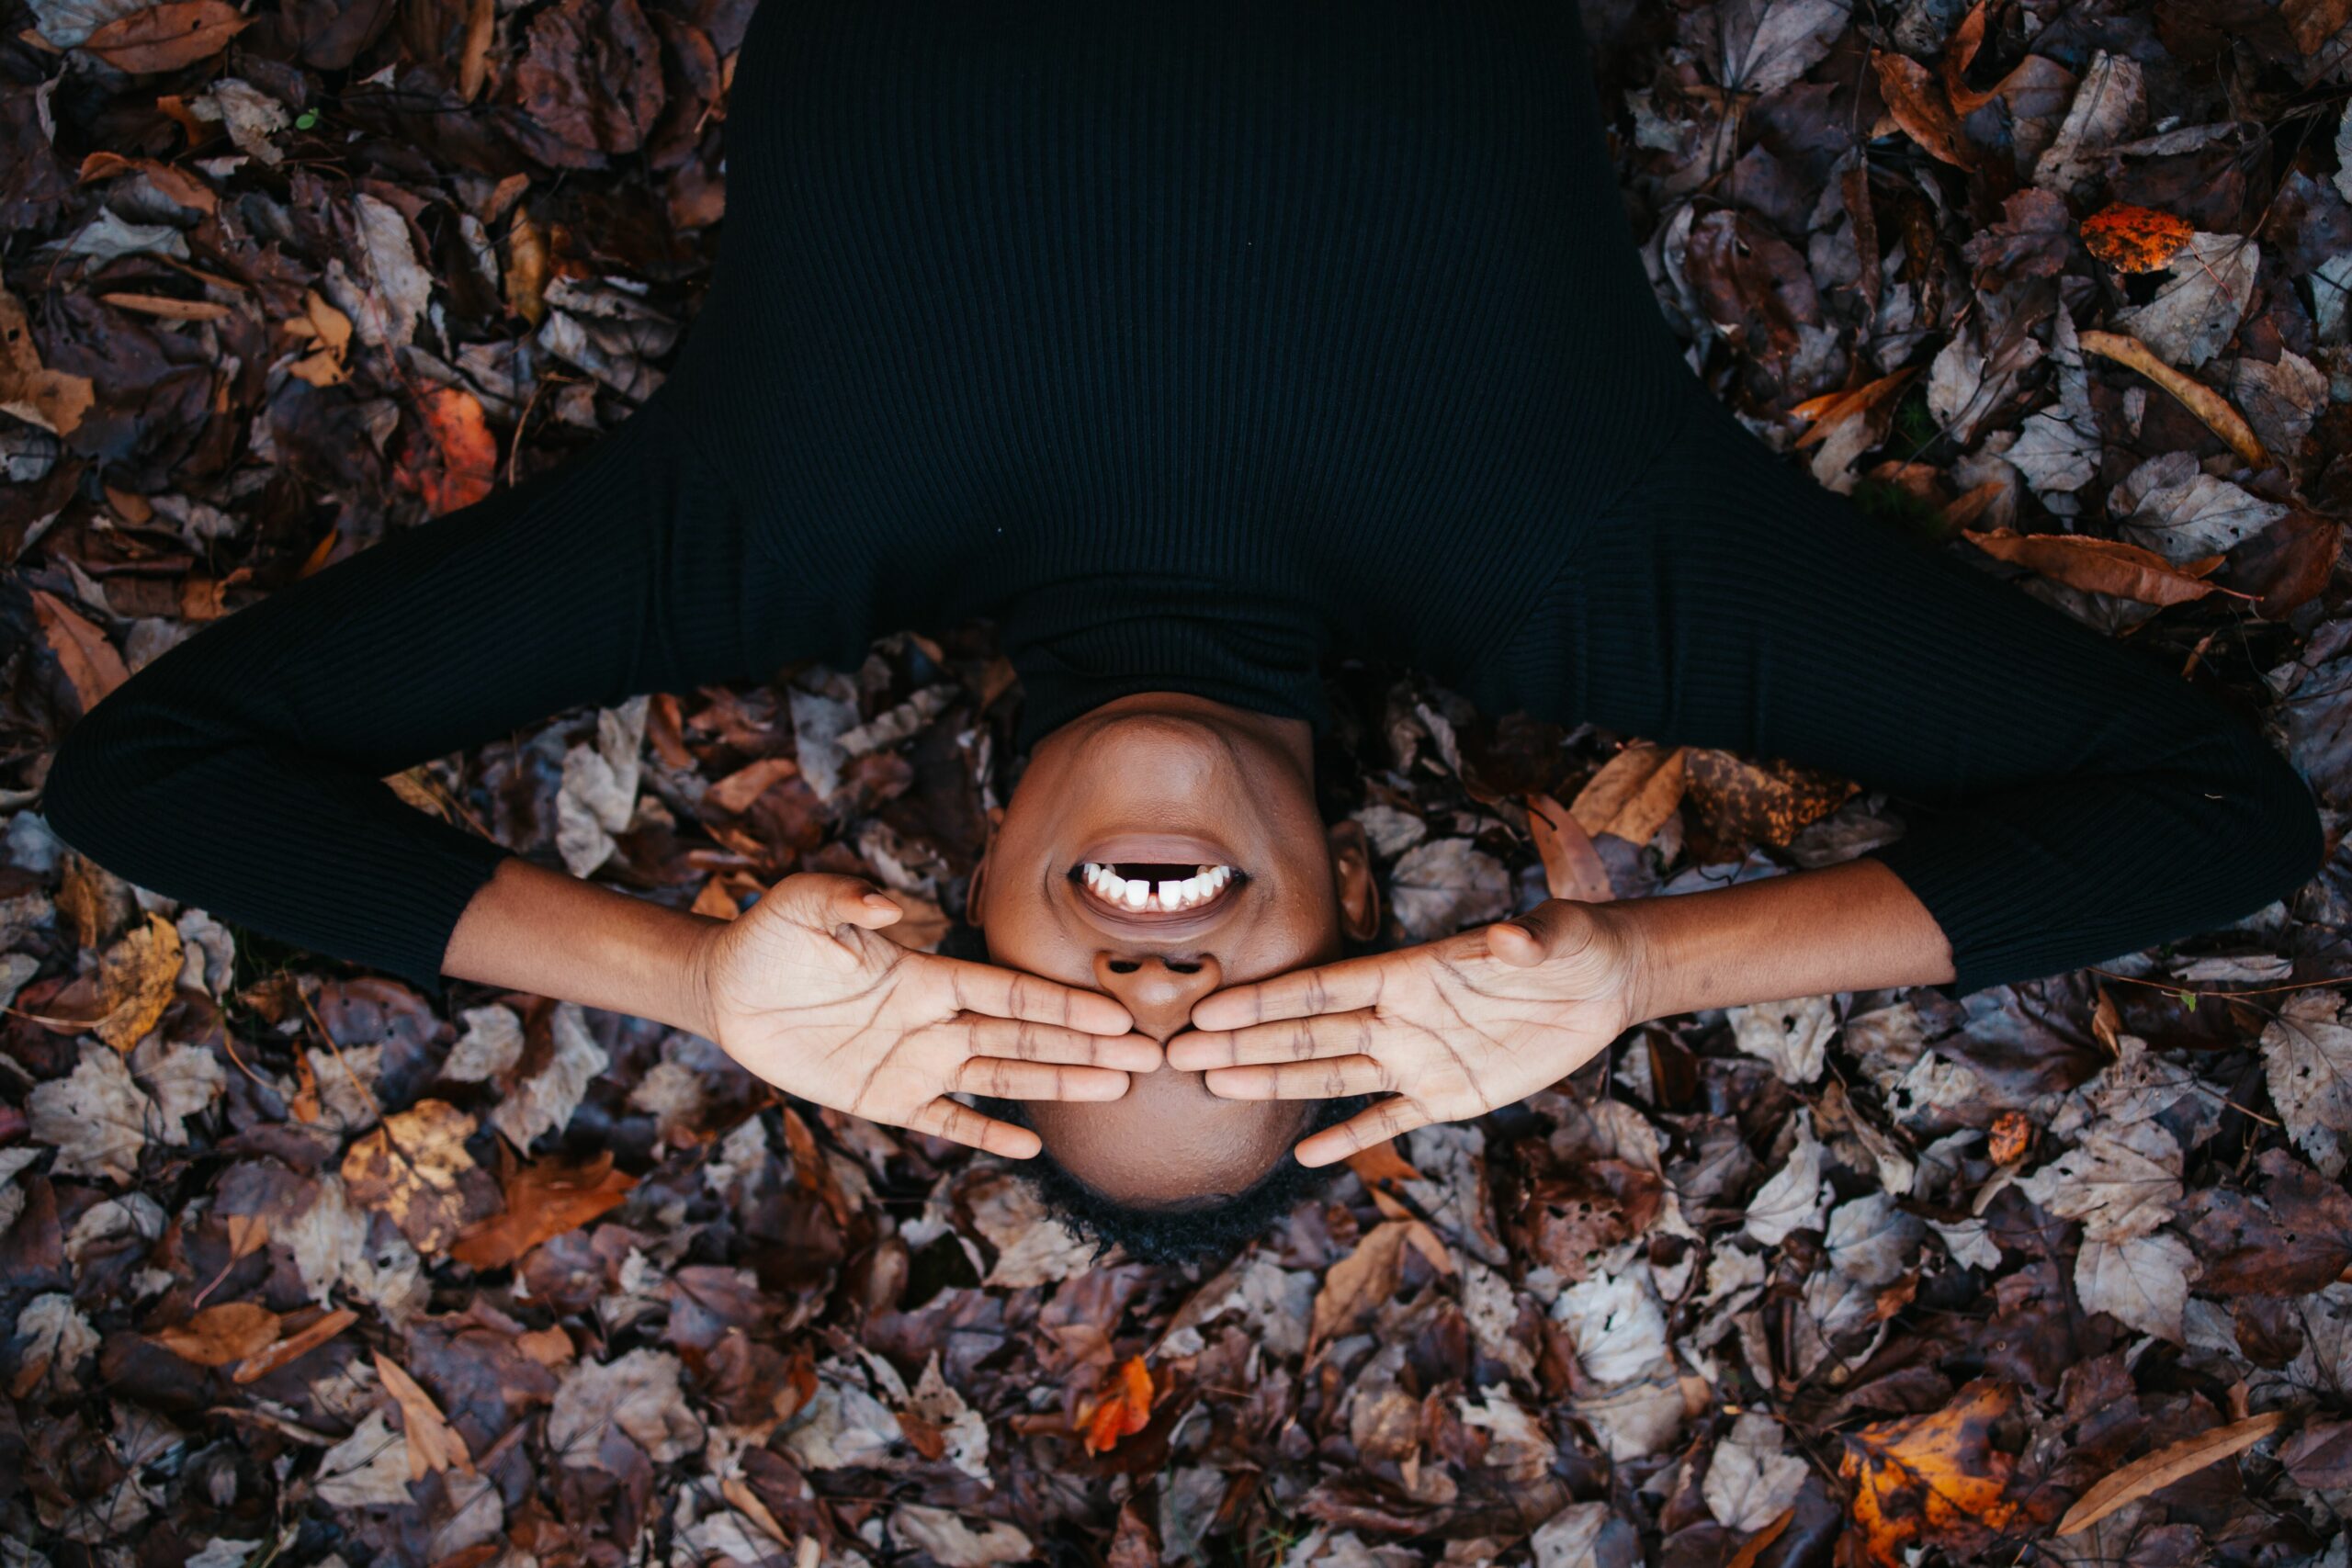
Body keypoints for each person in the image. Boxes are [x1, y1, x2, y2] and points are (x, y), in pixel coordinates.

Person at [40, 0, 2324, 1266]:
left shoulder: (756, 536)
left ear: (946, 921)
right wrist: (1636, 965)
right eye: (1239, 1038)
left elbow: (152, 775)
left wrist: (678, 978)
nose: (1148, 989)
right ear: (1363, 912)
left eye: (1054, 1036)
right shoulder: (1577, 565)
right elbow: (2197, 817)